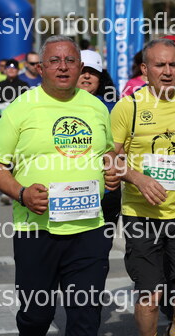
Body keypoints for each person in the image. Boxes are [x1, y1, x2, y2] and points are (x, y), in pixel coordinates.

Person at [0, 35, 119, 336]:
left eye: (70, 60)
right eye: (54, 61)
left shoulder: (97, 107)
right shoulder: (21, 107)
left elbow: (108, 152)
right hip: (37, 230)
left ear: (80, 67)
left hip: (89, 227)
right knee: (36, 316)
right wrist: (21, 194)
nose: (63, 67)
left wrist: (111, 170)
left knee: (86, 318)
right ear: (41, 68)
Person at [111, 39, 175, 336]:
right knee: (151, 298)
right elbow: (109, 157)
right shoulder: (127, 107)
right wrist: (137, 178)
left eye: (173, 64)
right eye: (159, 65)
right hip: (141, 215)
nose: (167, 71)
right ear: (145, 69)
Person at [77, 49, 121, 229]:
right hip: (70, 190)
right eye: (83, 71)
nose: (87, 76)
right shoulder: (56, 105)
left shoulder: (114, 106)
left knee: (103, 240)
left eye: (93, 72)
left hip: (106, 191)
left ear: (100, 77)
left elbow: (123, 145)